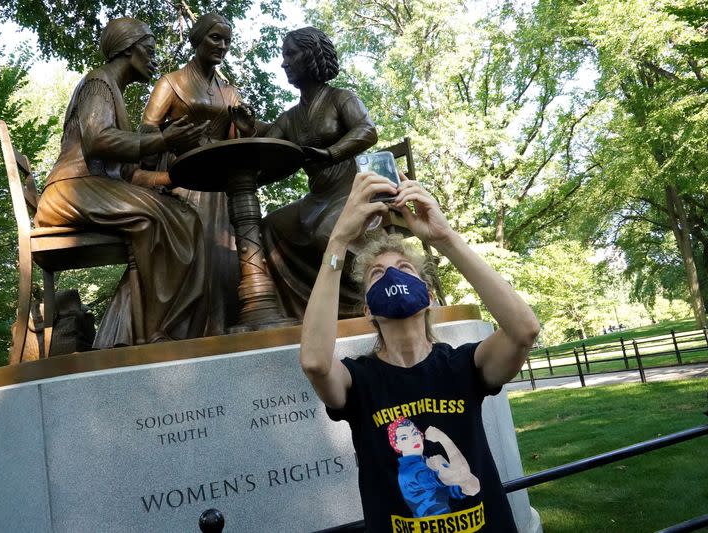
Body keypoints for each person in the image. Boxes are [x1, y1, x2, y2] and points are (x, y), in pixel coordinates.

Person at [299, 171, 540, 532]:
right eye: (377, 274)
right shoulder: (359, 380)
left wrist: (445, 238)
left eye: (404, 268)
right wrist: (338, 239)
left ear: (427, 296)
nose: (392, 277)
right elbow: (316, 362)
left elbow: (524, 330)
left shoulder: (463, 365)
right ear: (368, 309)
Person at [35, 17, 210, 348]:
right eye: (150, 50)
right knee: (156, 217)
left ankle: (164, 325)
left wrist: (171, 178)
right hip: (71, 190)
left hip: (94, 187)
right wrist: (163, 142)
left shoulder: (113, 93)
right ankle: (156, 331)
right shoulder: (98, 84)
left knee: (185, 214)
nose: (155, 59)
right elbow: (98, 140)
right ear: (130, 50)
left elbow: (124, 172)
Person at [141, 12, 260, 335]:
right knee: (197, 250)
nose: (222, 46)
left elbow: (235, 141)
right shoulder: (171, 83)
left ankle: (224, 325)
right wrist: (171, 139)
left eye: (227, 41)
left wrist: (245, 129)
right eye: (215, 38)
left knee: (228, 252)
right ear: (198, 39)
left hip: (220, 184)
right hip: (186, 178)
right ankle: (185, 330)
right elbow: (146, 130)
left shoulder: (228, 91)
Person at [261, 27, 378, 319]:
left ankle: (367, 299)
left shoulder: (342, 98)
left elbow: (367, 130)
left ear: (311, 55)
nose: (284, 63)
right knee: (269, 227)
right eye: (283, 56)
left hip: (351, 192)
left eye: (291, 54)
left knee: (329, 232)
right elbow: (269, 146)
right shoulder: (289, 117)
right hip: (317, 198)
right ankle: (303, 308)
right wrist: (246, 126)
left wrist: (332, 152)